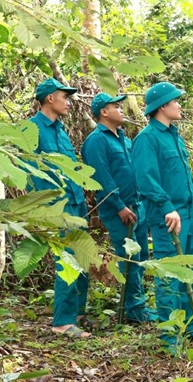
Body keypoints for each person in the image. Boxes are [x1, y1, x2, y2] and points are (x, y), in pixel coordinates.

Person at [131, 82, 193, 352]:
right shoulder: (147, 138)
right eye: (175, 101)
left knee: (191, 270)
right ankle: (170, 338)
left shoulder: (174, 136)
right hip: (168, 218)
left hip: (187, 214)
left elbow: (185, 178)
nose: (179, 105)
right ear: (162, 106)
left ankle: (191, 327)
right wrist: (167, 207)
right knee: (169, 275)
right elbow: (145, 179)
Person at [81, 92, 156, 324]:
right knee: (128, 257)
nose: (121, 109)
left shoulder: (124, 138)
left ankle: (137, 304)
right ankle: (133, 308)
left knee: (141, 255)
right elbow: (101, 178)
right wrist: (119, 206)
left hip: (137, 206)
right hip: (119, 211)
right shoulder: (96, 141)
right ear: (104, 112)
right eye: (116, 106)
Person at [27, 78, 91, 338]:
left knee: (83, 257)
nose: (68, 101)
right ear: (50, 98)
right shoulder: (31, 129)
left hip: (76, 202)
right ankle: (62, 322)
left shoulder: (61, 130)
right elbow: (28, 171)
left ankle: (77, 313)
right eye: (64, 96)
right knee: (68, 260)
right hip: (56, 207)